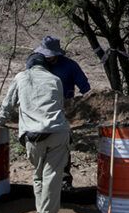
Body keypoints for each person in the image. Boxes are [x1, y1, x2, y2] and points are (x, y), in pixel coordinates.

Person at [0, 52, 71, 213]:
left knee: (38, 175)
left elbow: (8, 105)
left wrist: (0, 120)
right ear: (45, 66)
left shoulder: (20, 77)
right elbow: (59, 105)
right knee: (52, 176)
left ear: (28, 66)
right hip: (56, 132)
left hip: (32, 136)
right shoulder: (55, 79)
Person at [34, 36, 91, 191]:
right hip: (41, 110)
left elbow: (86, 89)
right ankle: (43, 179)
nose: (47, 58)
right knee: (41, 144)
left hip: (64, 112)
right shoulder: (39, 65)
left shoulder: (70, 66)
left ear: (57, 53)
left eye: (50, 55)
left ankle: (65, 179)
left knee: (63, 146)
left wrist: (78, 107)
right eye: (45, 55)